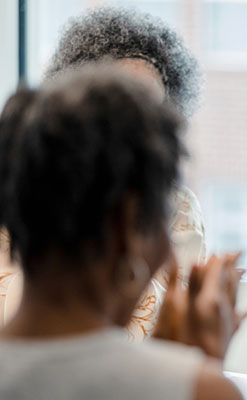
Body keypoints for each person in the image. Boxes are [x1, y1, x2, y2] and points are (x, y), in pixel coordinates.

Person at [0, 66, 242, 399]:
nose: (171, 250)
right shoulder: (195, 388)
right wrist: (193, 373)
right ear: (129, 224)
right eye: (164, 215)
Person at [0, 6, 206, 339]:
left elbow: (170, 332)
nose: (134, 131)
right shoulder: (27, 190)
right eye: (119, 110)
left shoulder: (176, 209)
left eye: (149, 112)